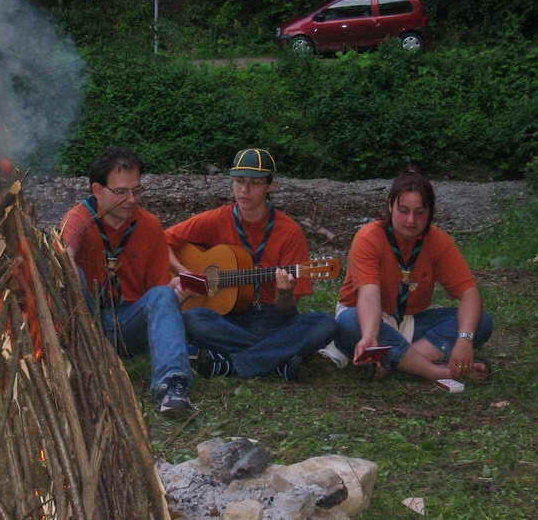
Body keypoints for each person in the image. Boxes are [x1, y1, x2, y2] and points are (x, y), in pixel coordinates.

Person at [165, 148, 337, 381]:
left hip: (272, 317)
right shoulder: (216, 219)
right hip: (227, 317)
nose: (244, 190)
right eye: (239, 181)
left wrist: (285, 293)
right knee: (192, 319)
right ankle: (277, 360)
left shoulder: (289, 232)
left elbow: (286, 309)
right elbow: (162, 241)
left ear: (270, 186)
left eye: (254, 183)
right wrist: (186, 273)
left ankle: (232, 364)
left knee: (324, 324)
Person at [60, 146, 193, 413]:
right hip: (86, 322)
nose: (132, 199)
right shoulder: (79, 219)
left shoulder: (149, 225)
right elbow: (65, 256)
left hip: (127, 323)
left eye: (136, 190)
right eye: (121, 192)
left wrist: (177, 294)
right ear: (98, 190)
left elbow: (157, 291)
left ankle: (172, 385)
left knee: (164, 295)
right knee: (75, 274)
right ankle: (81, 359)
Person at [335, 170, 493, 381]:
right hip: (369, 320)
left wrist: (464, 339)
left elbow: (469, 293)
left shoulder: (438, 241)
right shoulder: (369, 237)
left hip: (410, 322)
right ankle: (437, 371)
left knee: (481, 321)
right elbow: (369, 293)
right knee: (347, 322)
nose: (411, 220)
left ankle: (395, 360)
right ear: (390, 205)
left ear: (430, 212)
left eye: (420, 212)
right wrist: (370, 336)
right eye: (403, 211)